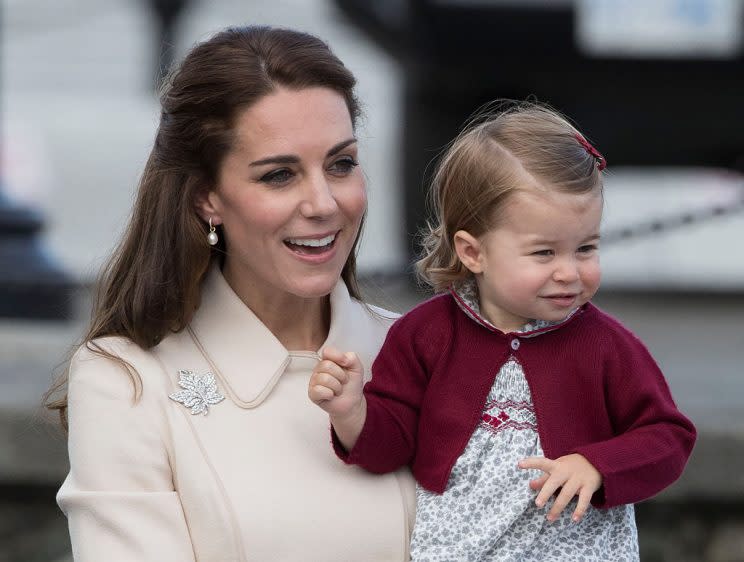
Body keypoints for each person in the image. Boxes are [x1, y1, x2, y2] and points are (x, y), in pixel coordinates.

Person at [46, 25, 415, 561]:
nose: (323, 203)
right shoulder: (125, 380)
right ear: (207, 198)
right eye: (279, 175)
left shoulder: (426, 351)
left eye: (341, 164)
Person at [308, 102, 697, 561]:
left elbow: (668, 438)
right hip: (460, 549)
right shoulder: (425, 336)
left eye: (586, 247)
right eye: (544, 253)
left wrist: (597, 464)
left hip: (578, 549)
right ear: (473, 252)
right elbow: (391, 447)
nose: (570, 272)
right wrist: (351, 412)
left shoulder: (605, 345)